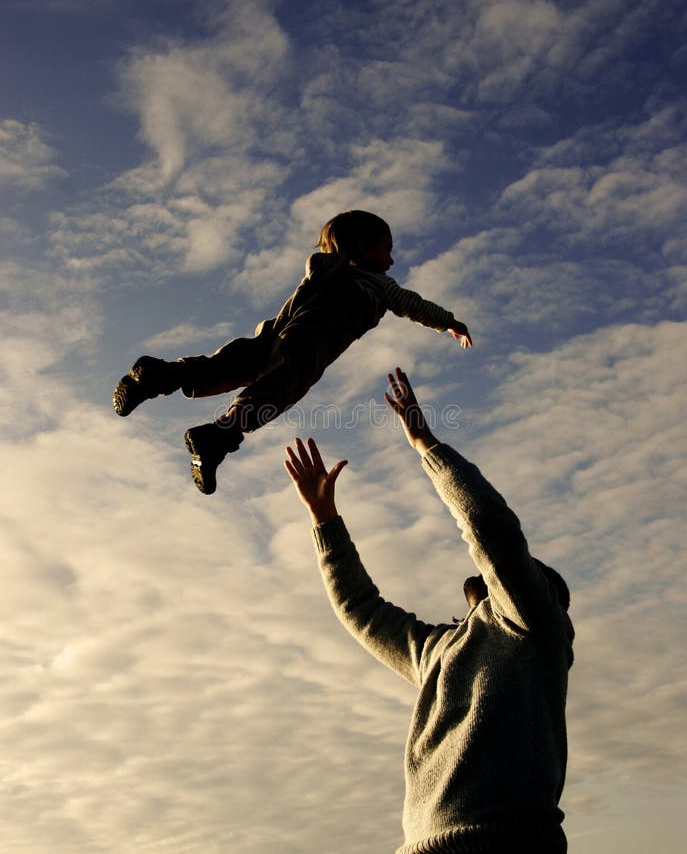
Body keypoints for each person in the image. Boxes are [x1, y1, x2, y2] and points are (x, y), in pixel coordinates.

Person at [284, 368, 574, 854]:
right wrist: (324, 520)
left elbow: (494, 536)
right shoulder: (439, 651)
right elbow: (362, 610)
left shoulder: (530, 626)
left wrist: (425, 444)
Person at [113, 211, 472, 495]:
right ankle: (216, 433)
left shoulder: (326, 270)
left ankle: (163, 380)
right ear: (362, 248)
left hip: (278, 333)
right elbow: (413, 304)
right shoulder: (374, 283)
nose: (391, 260)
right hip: (311, 340)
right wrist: (450, 322)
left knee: (242, 364)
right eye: (386, 249)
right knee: (284, 383)